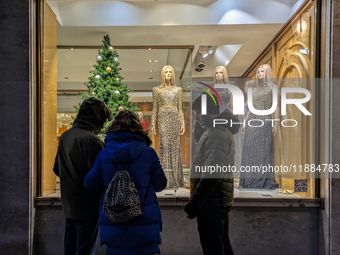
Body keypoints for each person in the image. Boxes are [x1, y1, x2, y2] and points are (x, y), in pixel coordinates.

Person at [84, 110, 167, 255]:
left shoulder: (103, 154)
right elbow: (160, 184)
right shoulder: (148, 152)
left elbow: (90, 183)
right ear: (139, 129)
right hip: (144, 225)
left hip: (114, 224)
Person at [53, 97, 112, 255]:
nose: (104, 124)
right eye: (103, 119)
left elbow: (57, 168)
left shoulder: (66, 136)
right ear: (96, 117)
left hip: (69, 202)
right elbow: (99, 177)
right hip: (87, 205)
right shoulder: (92, 140)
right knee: (85, 249)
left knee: (70, 247)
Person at [185, 93, 240, 255]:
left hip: (212, 202)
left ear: (204, 111)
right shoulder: (215, 130)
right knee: (220, 243)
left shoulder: (216, 133)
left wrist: (195, 204)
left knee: (213, 248)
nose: (197, 118)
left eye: (197, 113)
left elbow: (211, 174)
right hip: (216, 199)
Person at [239, 64, 279, 189]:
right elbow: (250, 108)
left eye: (262, 71)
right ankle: (248, 182)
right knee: (249, 150)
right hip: (252, 122)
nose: (259, 73)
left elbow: (277, 106)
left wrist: (276, 123)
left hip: (264, 121)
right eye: (258, 72)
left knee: (263, 152)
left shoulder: (273, 88)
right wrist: (244, 123)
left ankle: (261, 182)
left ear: (267, 72)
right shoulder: (254, 89)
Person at [151, 65, 185, 188]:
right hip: (163, 118)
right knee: (164, 146)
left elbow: (180, 108)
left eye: (170, 71)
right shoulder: (157, 90)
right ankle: (165, 178)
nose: (168, 73)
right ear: (162, 74)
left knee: (175, 147)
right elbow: (155, 107)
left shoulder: (178, 90)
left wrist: (182, 123)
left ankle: (175, 178)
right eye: (166, 72)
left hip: (174, 117)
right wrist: (153, 124)